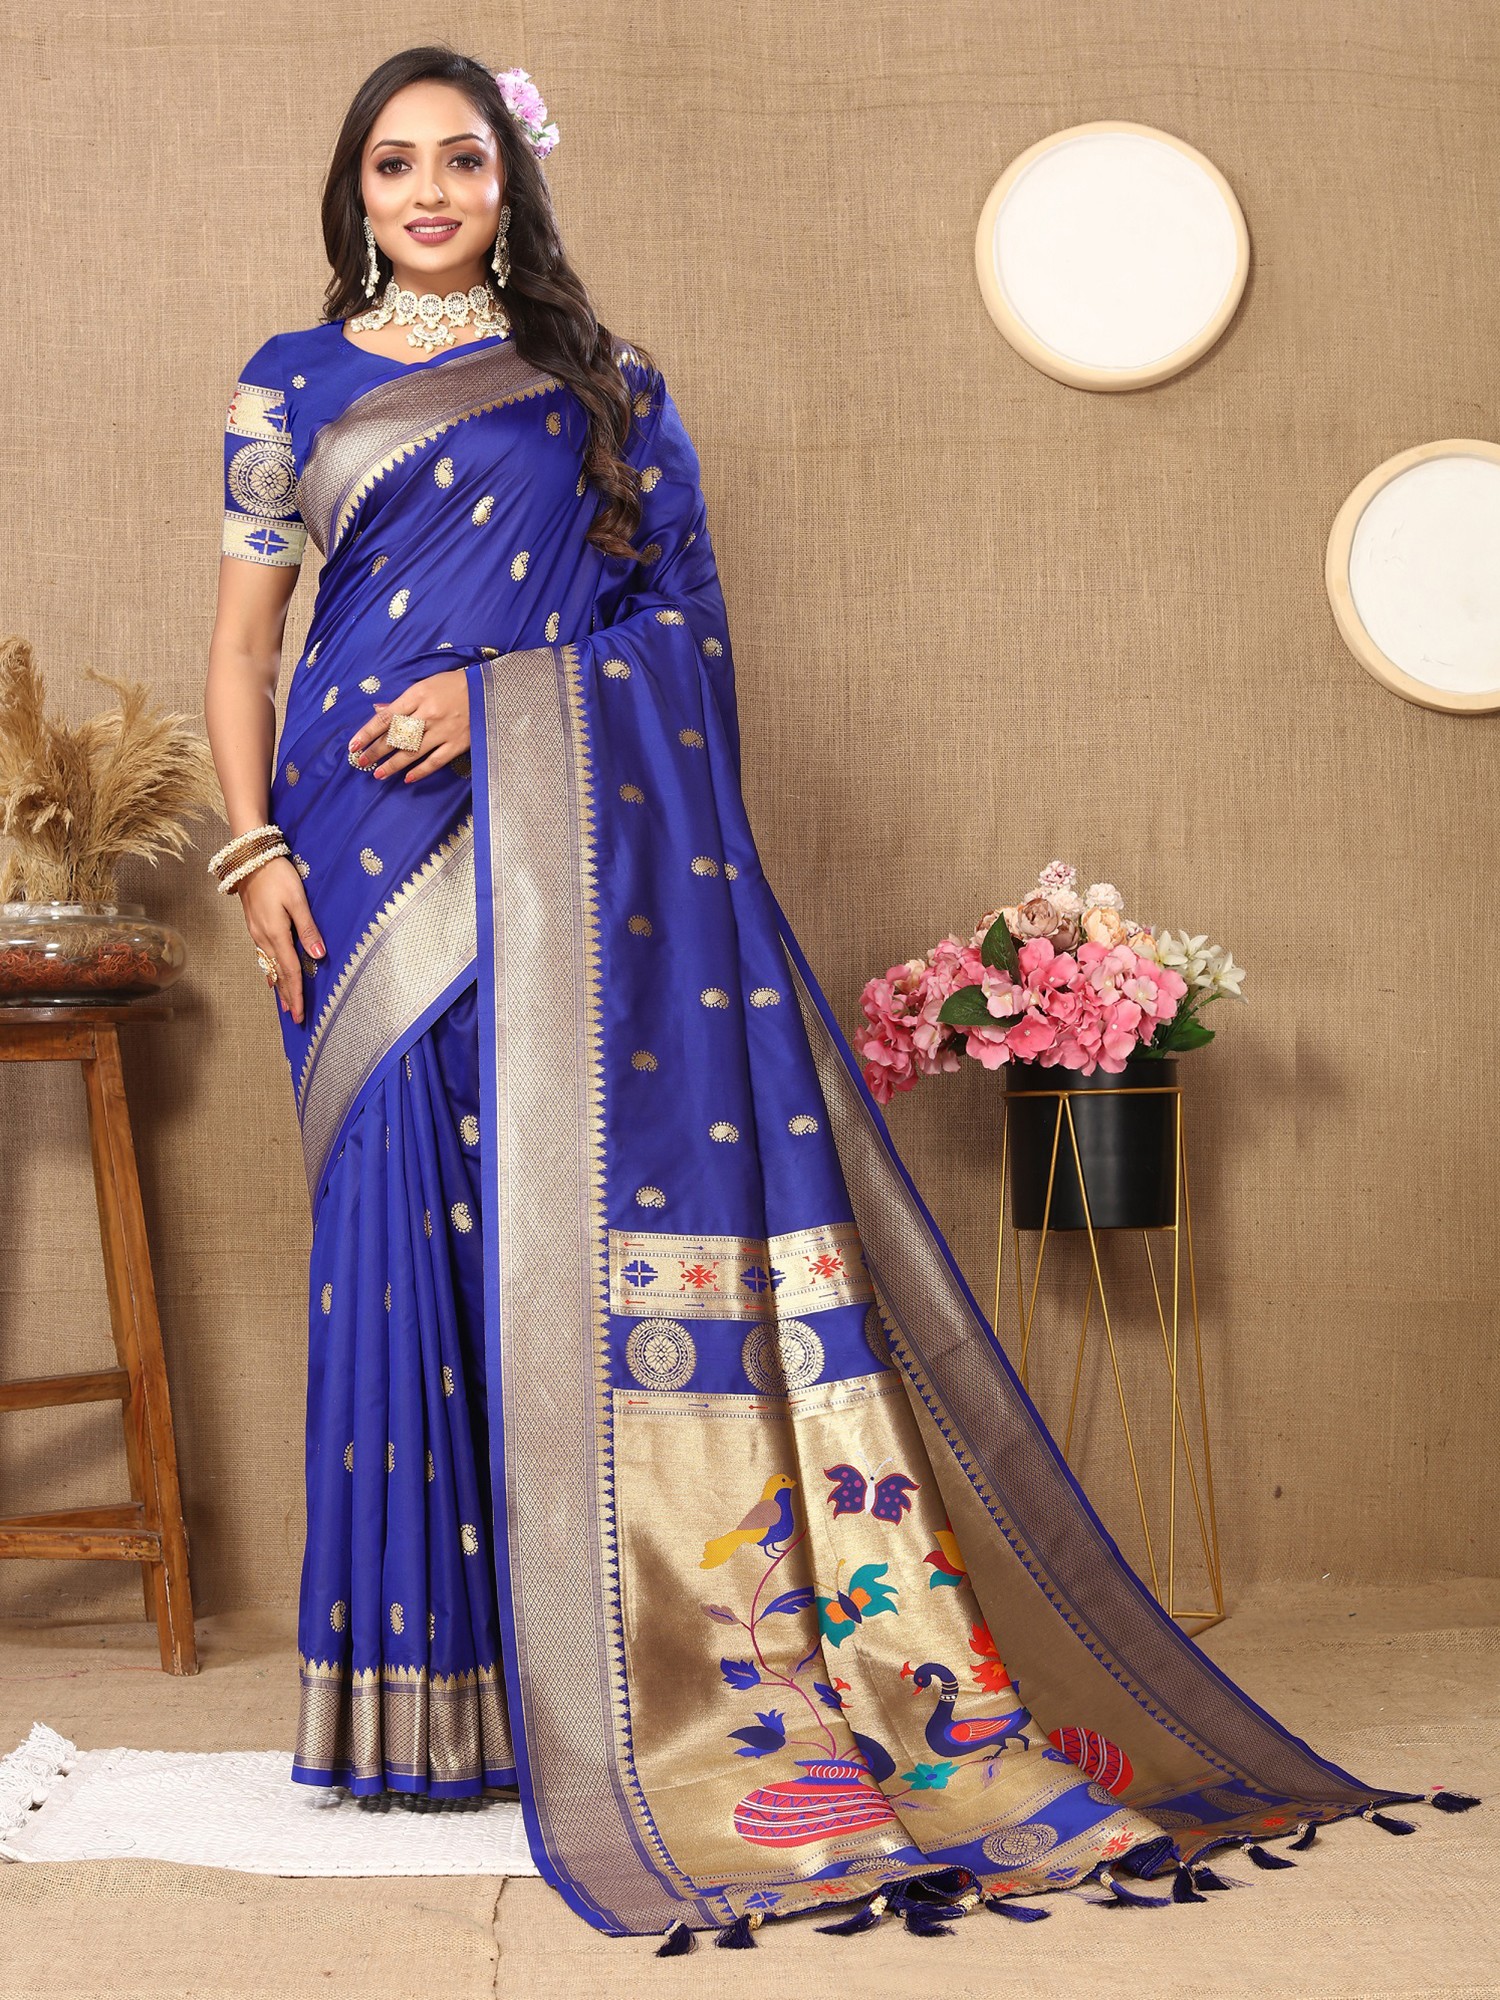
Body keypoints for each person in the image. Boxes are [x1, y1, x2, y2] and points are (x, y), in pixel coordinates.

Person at [203, 44, 1435, 1950]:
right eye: (395, 164)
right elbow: (240, 647)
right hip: (351, 861)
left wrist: (497, 702)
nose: (430, 191)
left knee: (538, 1236)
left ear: (511, 187)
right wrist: (253, 851)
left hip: (544, 858)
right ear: (354, 191)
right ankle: (412, 1713)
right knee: (393, 1242)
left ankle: (594, 1689)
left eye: (463, 159)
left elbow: (681, 637)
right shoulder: (288, 383)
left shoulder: (603, 390)